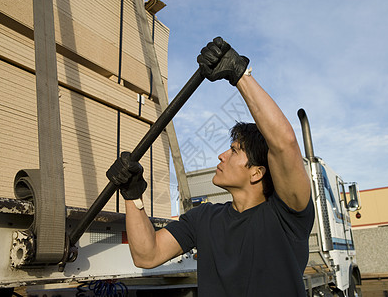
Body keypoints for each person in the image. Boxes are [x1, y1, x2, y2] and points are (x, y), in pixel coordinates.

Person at [106, 37, 315, 296]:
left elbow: (284, 143)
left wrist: (238, 73)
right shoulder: (203, 219)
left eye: (235, 150)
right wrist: (132, 195)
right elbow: (147, 256)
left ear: (257, 172)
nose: (221, 155)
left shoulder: (287, 216)